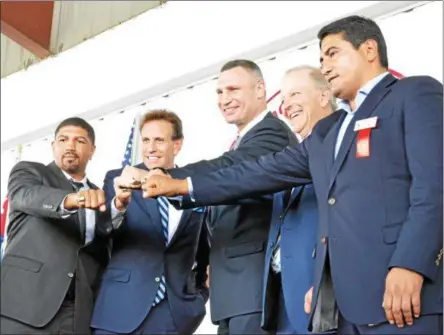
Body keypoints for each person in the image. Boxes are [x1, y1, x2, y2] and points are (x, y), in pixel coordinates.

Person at [141, 15, 443, 335]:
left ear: (369, 49)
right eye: (320, 58)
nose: (324, 66)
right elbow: (258, 172)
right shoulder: (329, 131)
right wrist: (181, 184)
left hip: (402, 297)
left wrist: (411, 263)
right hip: (340, 305)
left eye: (332, 53)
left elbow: (435, 187)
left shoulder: (415, 93)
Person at [118, 59, 296, 334]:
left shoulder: (272, 133)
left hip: (254, 288)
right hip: (232, 292)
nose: (225, 99)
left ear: (260, 89)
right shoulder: (243, 141)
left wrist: (164, 176)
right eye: (220, 92)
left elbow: (228, 170)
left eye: (233, 89)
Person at [90, 110, 210, 335]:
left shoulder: (192, 187)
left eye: (159, 140)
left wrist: (197, 298)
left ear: (177, 144)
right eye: (146, 140)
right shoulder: (119, 178)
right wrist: (119, 204)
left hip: (172, 317)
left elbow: (204, 252)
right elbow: (101, 231)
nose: (150, 148)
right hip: (119, 311)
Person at [0, 117, 112, 335]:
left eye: (79, 141)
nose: (70, 146)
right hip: (24, 306)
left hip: (76, 314)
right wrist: (74, 199)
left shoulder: (102, 197)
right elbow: (27, 196)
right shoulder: (31, 173)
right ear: (53, 146)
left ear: (92, 150)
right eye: (63, 139)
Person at [262, 65, 335, 335]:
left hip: (318, 297)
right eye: (283, 99)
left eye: (294, 94)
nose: (286, 105)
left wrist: (327, 280)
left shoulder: (340, 145)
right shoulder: (291, 156)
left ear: (324, 96)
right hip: (281, 299)